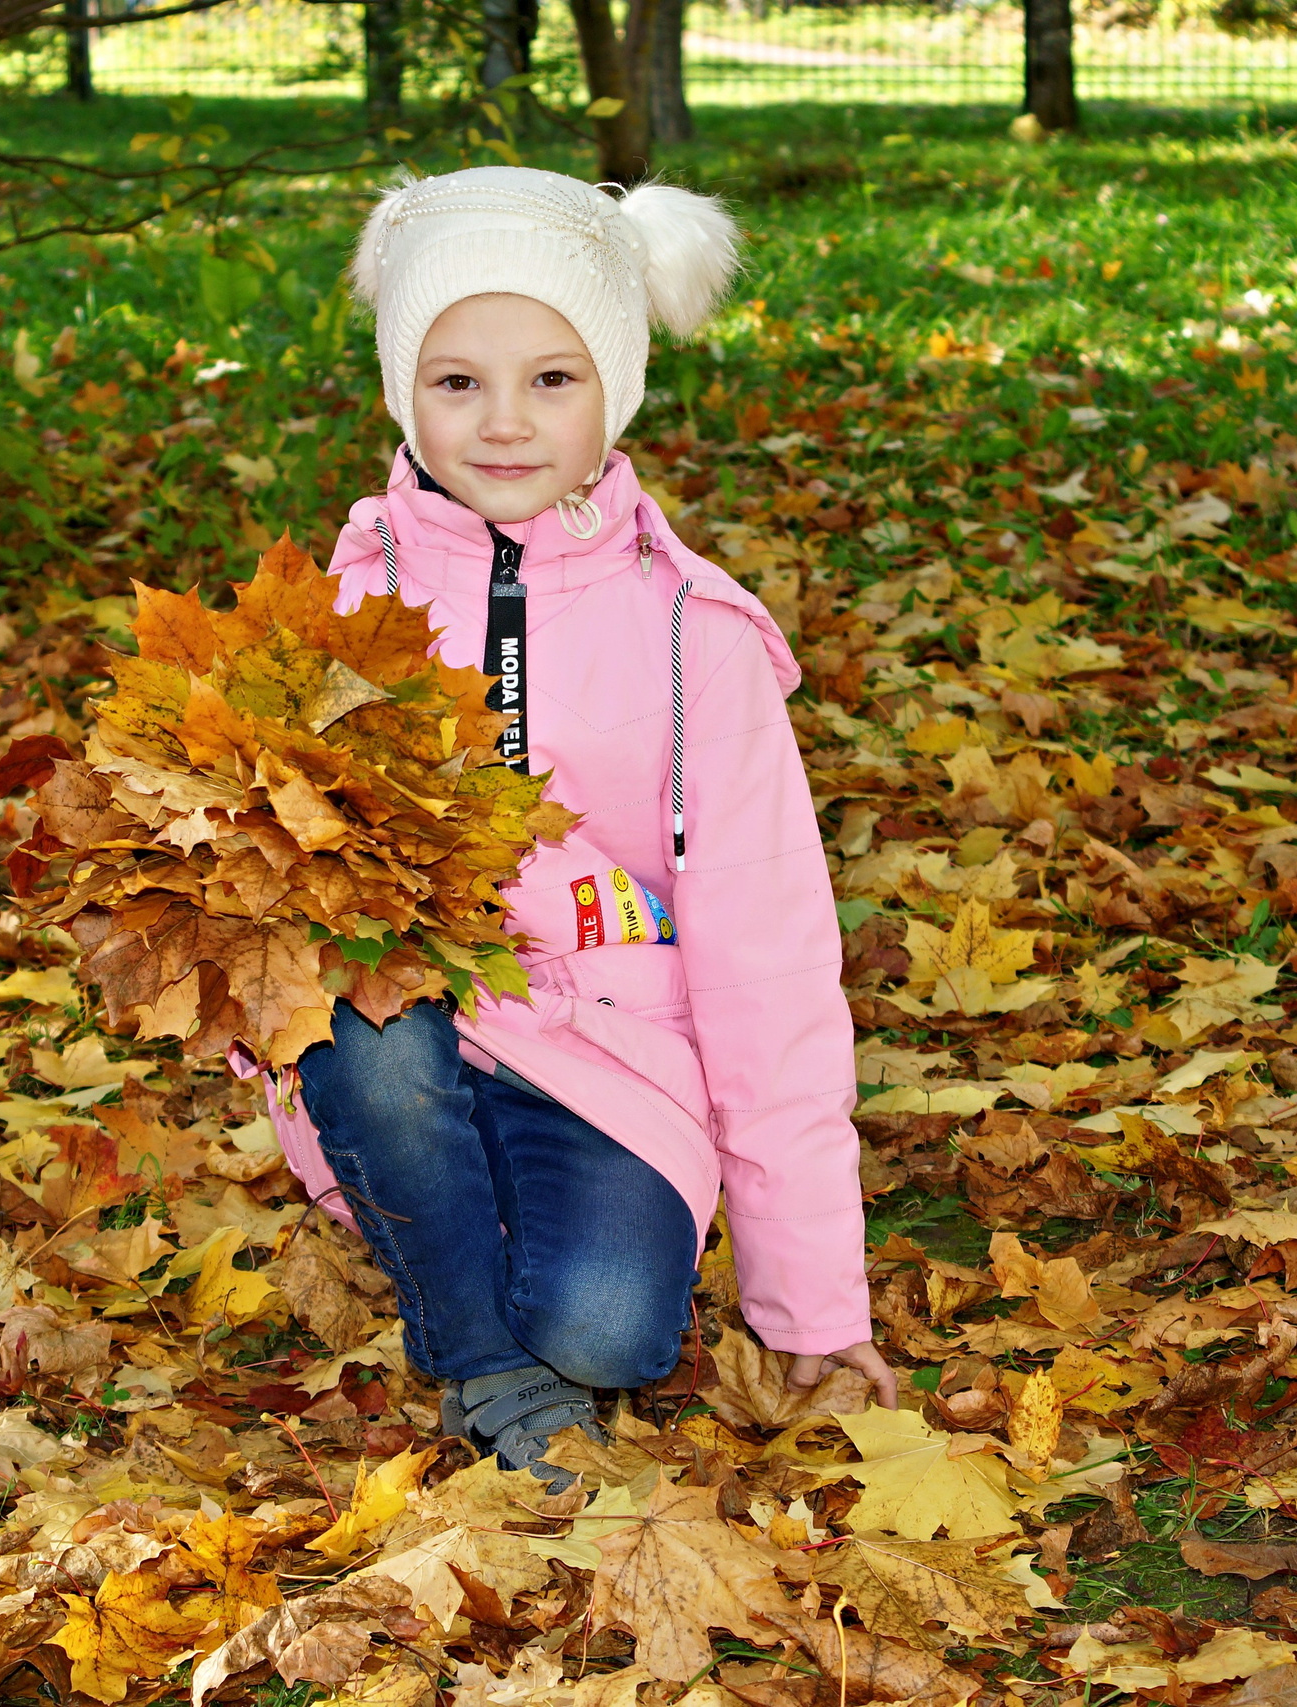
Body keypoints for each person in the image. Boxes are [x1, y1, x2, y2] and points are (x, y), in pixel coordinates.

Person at [259, 166, 893, 1484]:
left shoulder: (691, 636)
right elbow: (268, 874)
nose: (502, 424)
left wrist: (810, 1310)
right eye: (456, 381)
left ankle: (506, 1276)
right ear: (399, 387)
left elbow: (770, 972)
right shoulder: (345, 593)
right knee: (368, 1039)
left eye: (552, 378)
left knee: (608, 1331)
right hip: (406, 1029)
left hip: (612, 1053)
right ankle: (485, 1362)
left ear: (619, 383)